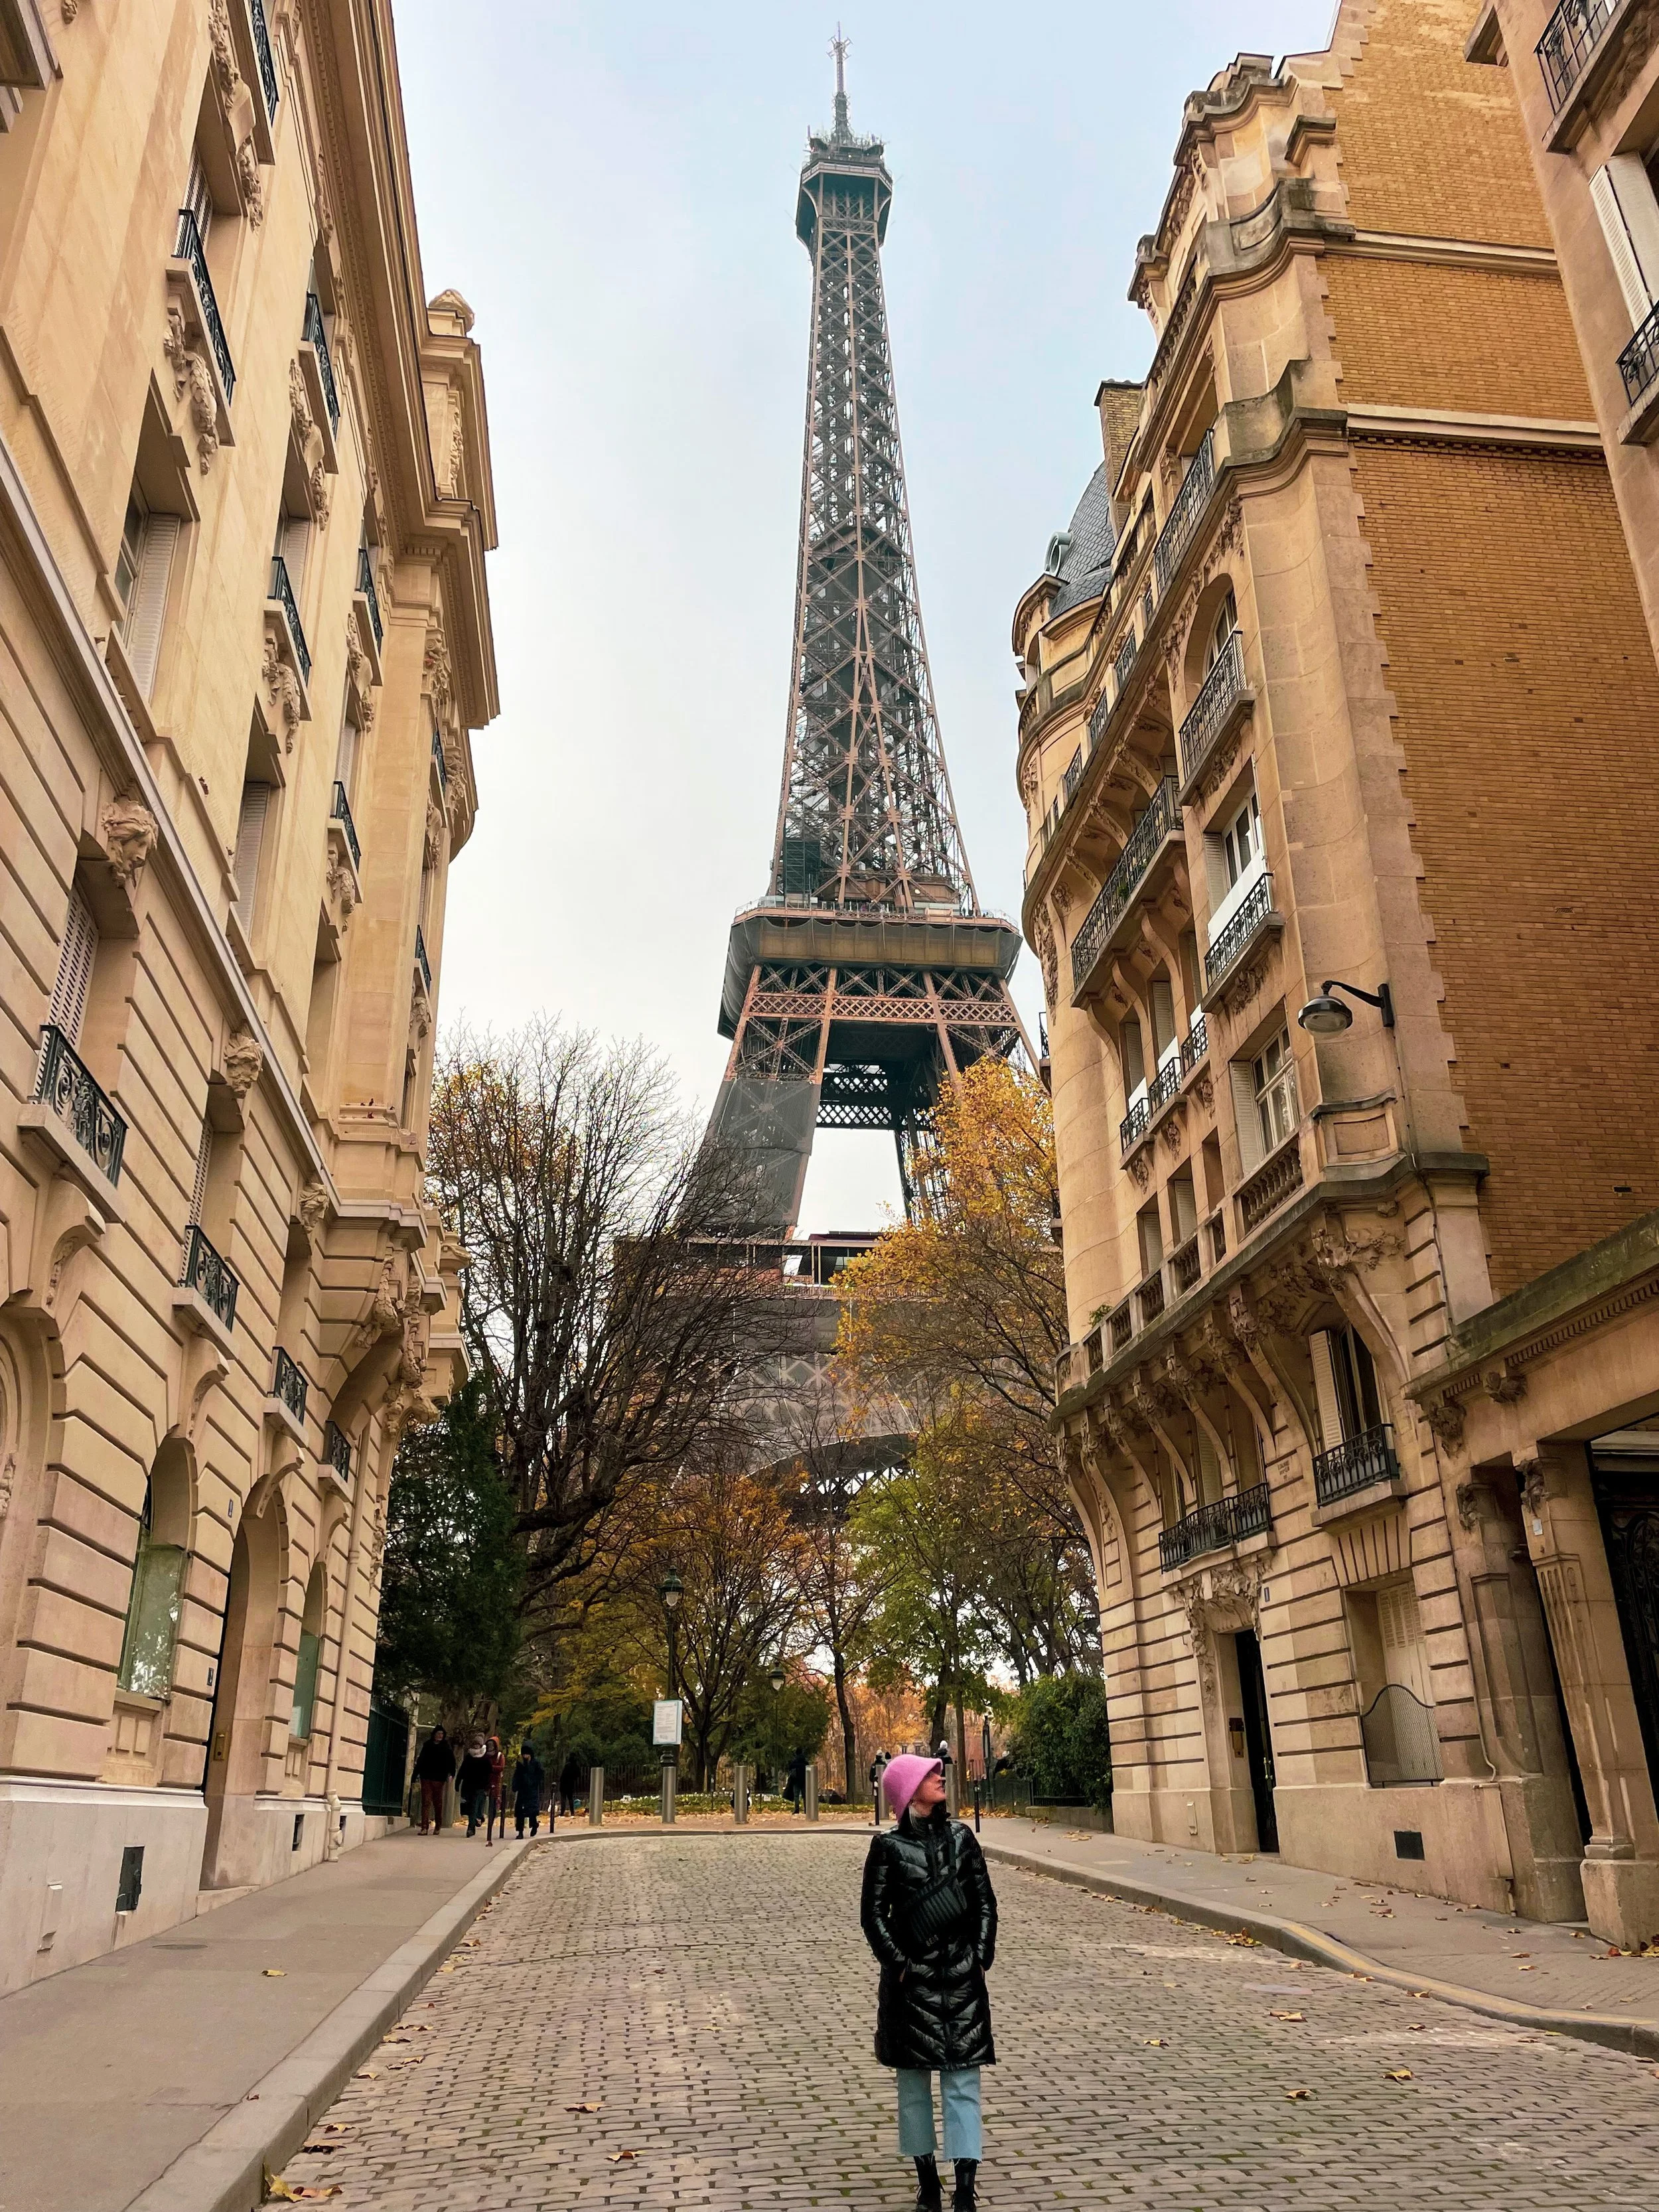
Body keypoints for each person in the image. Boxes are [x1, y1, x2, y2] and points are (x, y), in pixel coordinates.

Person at [861, 1753, 997, 2212]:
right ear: (908, 1790)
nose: (940, 1775)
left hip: (961, 1979)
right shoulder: (887, 1848)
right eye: (928, 1773)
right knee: (913, 2088)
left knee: (963, 2085)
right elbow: (873, 1915)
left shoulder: (962, 1838)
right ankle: (928, 2184)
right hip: (910, 1986)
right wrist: (900, 1964)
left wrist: (980, 1955)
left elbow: (984, 1901)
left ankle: (963, 2190)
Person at [412, 1725, 455, 1835]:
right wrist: (415, 1775)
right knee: (426, 1802)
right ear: (434, 1734)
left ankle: (438, 1825)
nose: (440, 1736)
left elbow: (451, 1761)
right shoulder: (428, 1745)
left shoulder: (446, 1747)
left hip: (439, 1778)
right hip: (426, 1776)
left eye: (442, 1734)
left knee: (438, 1803)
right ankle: (424, 1827)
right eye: (438, 1734)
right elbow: (421, 1760)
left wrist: (451, 1774)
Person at [457, 1735, 492, 1838]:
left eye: (478, 1744)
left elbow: (489, 1773)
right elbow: (462, 1771)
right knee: (470, 1807)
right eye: (475, 1744)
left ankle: (471, 1828)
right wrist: (458, 1782)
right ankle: (476, 1819)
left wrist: (488, 1786)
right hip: (469, 1785)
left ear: (481, 1745)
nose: (476, 1746)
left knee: (474, 1806)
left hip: (480, 1786)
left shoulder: (486, 1758)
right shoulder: (469, 1757)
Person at [512, 1741, 545, 1838]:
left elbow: (540, 1775)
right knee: (520, 1813)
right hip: (522, 1791)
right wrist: (515, 1786)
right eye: (524, 1754)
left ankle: (534, 1824)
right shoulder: (521, 1764)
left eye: (527, 1753)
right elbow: (516, 1776)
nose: (525, 1756)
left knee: (531, 1812)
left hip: (532, 1791)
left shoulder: (535, 1764)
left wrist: (534, 1782)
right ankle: (520, 1832)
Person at [484, 1733, 506, 1844]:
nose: (490, 1747)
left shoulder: (499, 1756)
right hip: (485, 1781)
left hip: (495, 1782)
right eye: (488, 1745)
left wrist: (491, 1768)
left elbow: (501, 1767)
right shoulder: (484, 1755)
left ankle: (491, 1824)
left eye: (492, 1745)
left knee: (493, 1806)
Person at [786, 1747, 807, 1814]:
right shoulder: (805, 1762)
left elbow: (790, 1768)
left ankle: (797, 1809)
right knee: (805, 1796)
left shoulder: (794, 1762)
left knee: (796, 1796)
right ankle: (806, 1809)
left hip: (796, 1781)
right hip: (804, 1781)